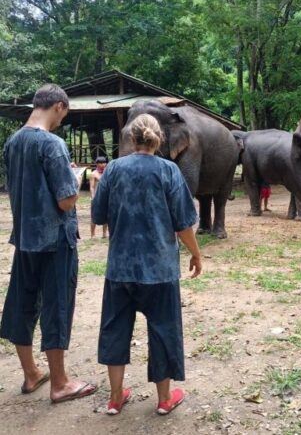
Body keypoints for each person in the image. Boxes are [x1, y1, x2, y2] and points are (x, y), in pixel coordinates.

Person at [92, 114, 202, 416]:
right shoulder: (168, 171)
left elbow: (98, 215)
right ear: (159, 139)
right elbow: (182, 224)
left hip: (120, 268)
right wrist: (196, 253)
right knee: (164, 330)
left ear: (131, 139)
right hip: (160, 270)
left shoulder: (113, 170)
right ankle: (165, 399)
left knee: (115, 330)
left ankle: (116, 397)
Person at [0, 84, 97, 402]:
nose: (61, 121)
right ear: (58, 106)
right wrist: (76, 176)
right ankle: (60, 383)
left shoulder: (12, 142)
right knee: (57, 306)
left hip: (25, 237)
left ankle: (31, 374)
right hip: (55, 240)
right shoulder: (52, 144)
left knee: (22, 303)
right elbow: (67, 199)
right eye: (63, 115)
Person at [90, 156, 108, 239]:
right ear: (97, 164)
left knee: (106, 215)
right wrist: (93, 197)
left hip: (106, 196)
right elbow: (92, 187)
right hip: (96, 197)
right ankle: (93, 234)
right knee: (94, 216)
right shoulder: (93, 174)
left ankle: (104, 233)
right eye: (101, 163)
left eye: (104, 162)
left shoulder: (107, 172)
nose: (103, 164)